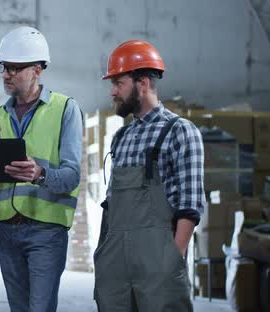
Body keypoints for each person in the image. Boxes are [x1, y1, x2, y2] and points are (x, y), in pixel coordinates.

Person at [94, 40, 206, 311]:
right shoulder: (121, 137)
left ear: (142, 83)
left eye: (119, 83)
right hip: (116, 267)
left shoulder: (180, 131)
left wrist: (172, 260)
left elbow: (189, 205)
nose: (113, 92)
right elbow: (112, 205)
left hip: (158, 264)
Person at [0, 26, 83, 312]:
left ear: (37, 69)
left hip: (46, 231)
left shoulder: (65, 109)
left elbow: (73, 175)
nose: (6, 74)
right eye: (4, 67)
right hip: (8, 232)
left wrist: (39, 174)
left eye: (14, 68)